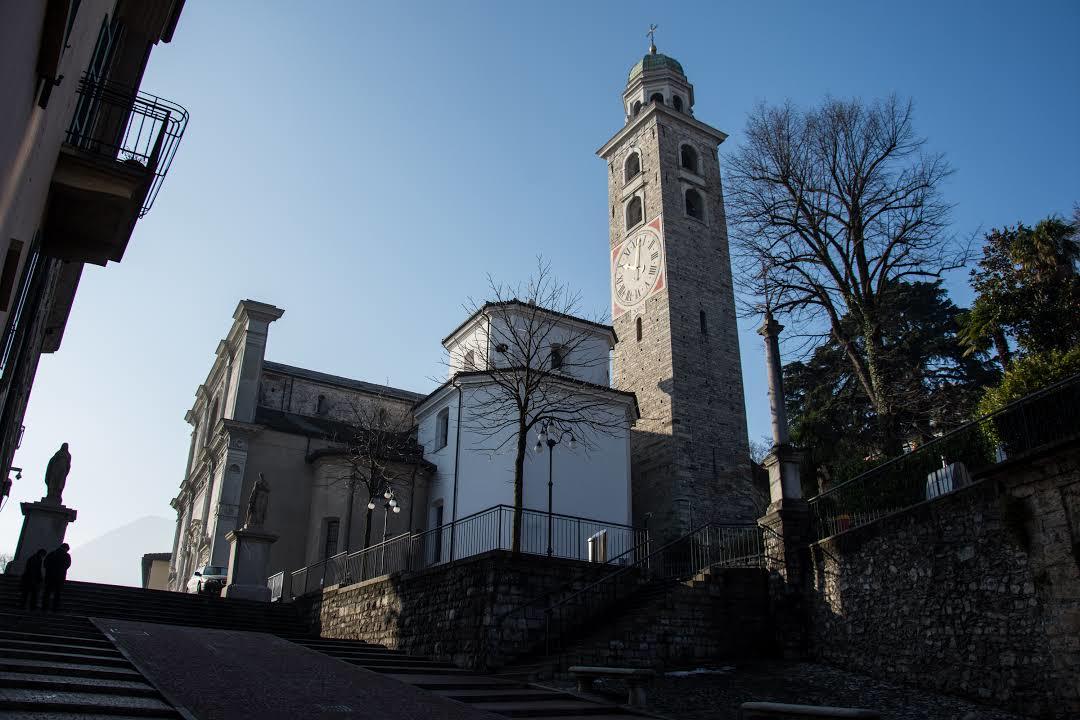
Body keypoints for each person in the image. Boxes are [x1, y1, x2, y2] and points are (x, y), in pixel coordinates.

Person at [42, 543, 72, 612]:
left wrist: (50, 570)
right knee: (57, 593)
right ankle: (55, 608)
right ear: (66, 549)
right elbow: (67, 565)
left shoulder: (52, 553)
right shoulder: (66, 555)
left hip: (50, 576)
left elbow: (45, 564)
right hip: (59, 577)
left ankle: (44, 607)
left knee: (47, 592)